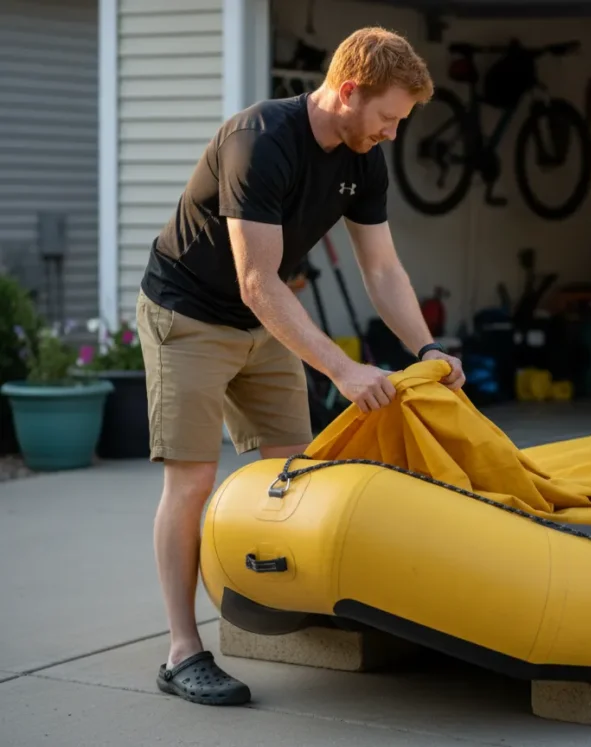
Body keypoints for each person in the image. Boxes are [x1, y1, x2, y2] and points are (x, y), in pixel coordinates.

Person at [135, 26, 465, 706]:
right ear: (348, 93)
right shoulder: (259, 141)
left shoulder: (363, 155)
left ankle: (283, 602)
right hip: (190, 315)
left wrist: (425, 347)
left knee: (292, 469)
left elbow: (382, 269)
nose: (393, 134)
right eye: (388, 118)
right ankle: (181, 649)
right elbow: (256, 279)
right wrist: (343, 371)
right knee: (193, 479)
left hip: (267, 318)